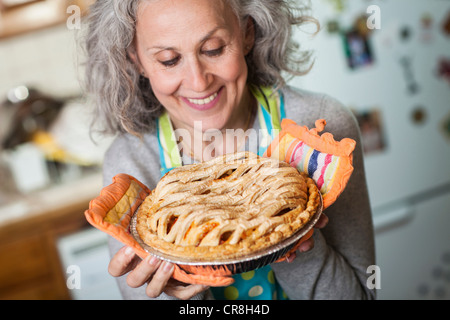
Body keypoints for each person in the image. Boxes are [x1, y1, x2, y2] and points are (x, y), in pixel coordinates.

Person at [83, 0, 376, 300]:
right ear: (136, 60)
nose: (199, 82)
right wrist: (184, 290)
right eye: (169, 60)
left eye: (213, 49)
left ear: (247, 33)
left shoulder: (319, 131)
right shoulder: (131, 162)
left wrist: (290, 236)